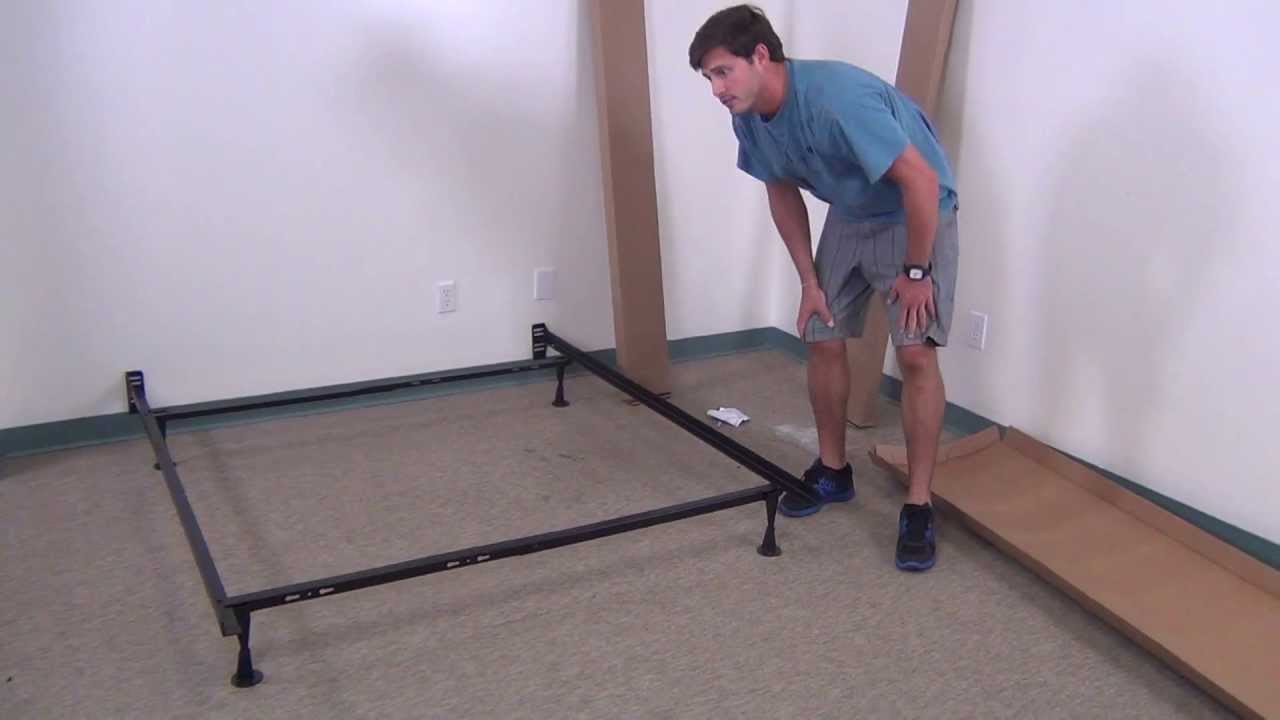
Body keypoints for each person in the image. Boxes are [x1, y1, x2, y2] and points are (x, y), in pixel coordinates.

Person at [688, 5, 960, 571]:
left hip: (913, 212)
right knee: (822, 333)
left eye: (722, 72)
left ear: (760, 55)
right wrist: (809, 281)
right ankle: (834, 471)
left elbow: (921, 180)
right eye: (709, 78)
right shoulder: (748, 115)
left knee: (915, 354)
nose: (716, 90)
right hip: (852, 214)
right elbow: (780, 189)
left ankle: (918, 506)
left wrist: (916, 273)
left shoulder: (837, 101)